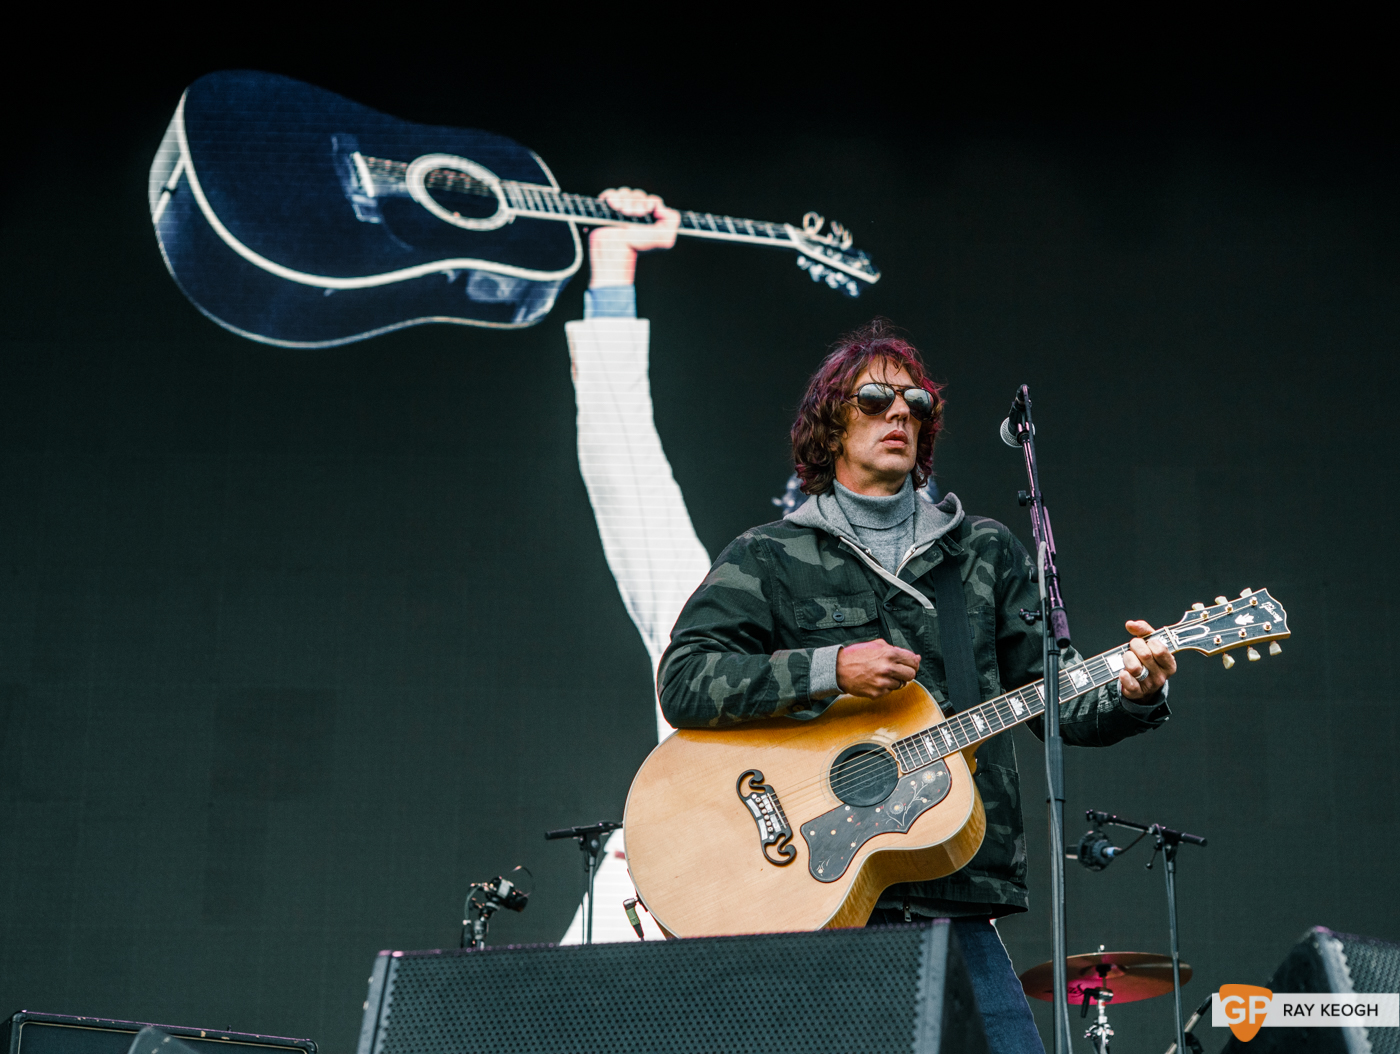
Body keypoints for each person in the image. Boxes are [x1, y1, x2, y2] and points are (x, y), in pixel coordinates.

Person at [655, 308, 1178, 1050]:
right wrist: (829, 668)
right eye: (874, 400)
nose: (899, 411)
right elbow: (684, 679)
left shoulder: (985, 555)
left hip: (954, 895)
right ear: (830, 425)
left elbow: (1054, 699)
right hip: (814, 901)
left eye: (916, 403)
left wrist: (1135, 693)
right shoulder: (768, 555)